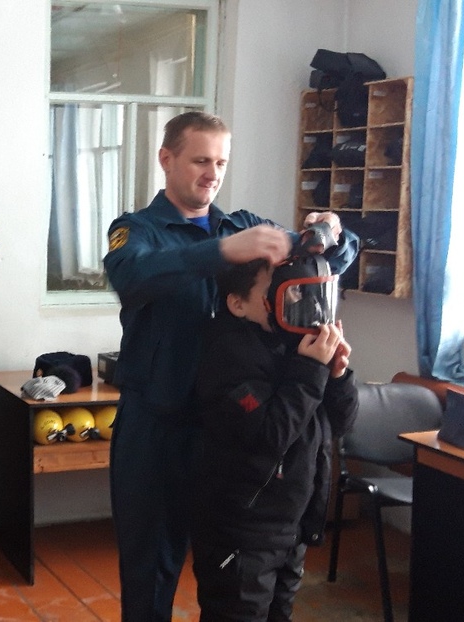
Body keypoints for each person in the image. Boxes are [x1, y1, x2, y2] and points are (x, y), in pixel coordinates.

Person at [102, 111, 358, 621]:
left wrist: (330, 231)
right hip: (159, 431)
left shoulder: (243, 225)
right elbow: (133, 276)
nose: (212, 173)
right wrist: (221, 251)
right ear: (166, 159)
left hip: (231, 432)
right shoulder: (136, 231)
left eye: (220, 162)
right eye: (200, 160)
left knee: (233, 577)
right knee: (150, 576)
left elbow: (323, 260)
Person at [191, 259, 358, 621]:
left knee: (280, 614)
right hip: (242, 531)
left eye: (296, 291)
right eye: (277, 292)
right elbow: (271, 433)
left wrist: (338, 376)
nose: (294, 302)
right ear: (238, 304)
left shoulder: (292, 346)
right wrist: (311, 370)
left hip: (290, 525)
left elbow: (341, 424)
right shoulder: (227, 355)